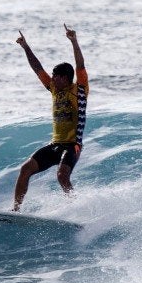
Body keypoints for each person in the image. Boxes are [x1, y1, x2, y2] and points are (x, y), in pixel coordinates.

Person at [12, 24, 89, 212]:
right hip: (55, 144)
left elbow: (80, 65)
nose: (52, 78)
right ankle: (15, 210)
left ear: (65, 78)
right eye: (53, 76)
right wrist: (26, 47)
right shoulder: (54, 89)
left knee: (62, 176)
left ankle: (77, 209)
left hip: (73, 145)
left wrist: (74, 41)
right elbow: (37, 68)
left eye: (56, 76)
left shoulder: (79, 90)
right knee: (25, 169)